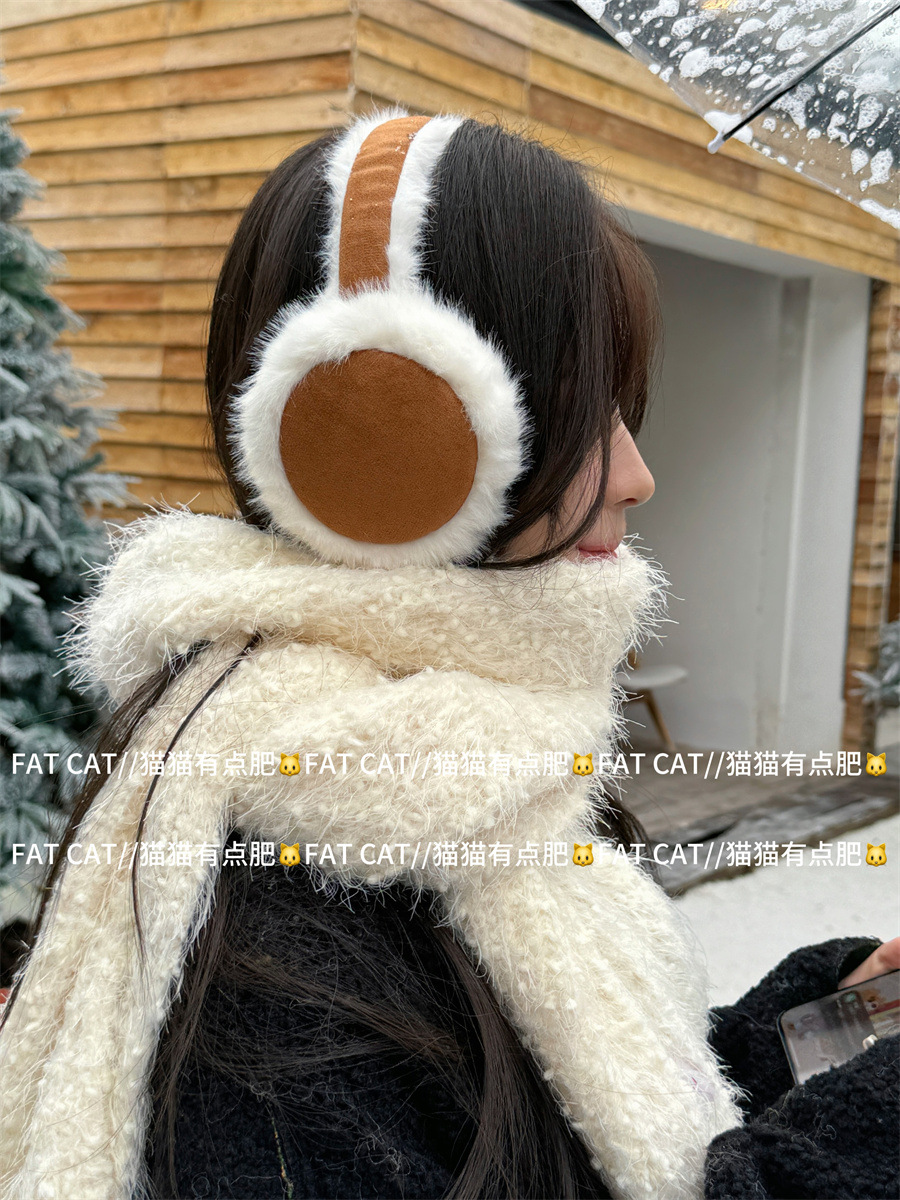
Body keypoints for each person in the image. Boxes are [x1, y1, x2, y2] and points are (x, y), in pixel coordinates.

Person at [0, 108, 896, 1200]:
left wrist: (797, 1032)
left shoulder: (465, 774)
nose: (636, 475)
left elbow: (552, 1117)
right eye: (584, 413)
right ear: (395, 427)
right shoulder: (273, 963)